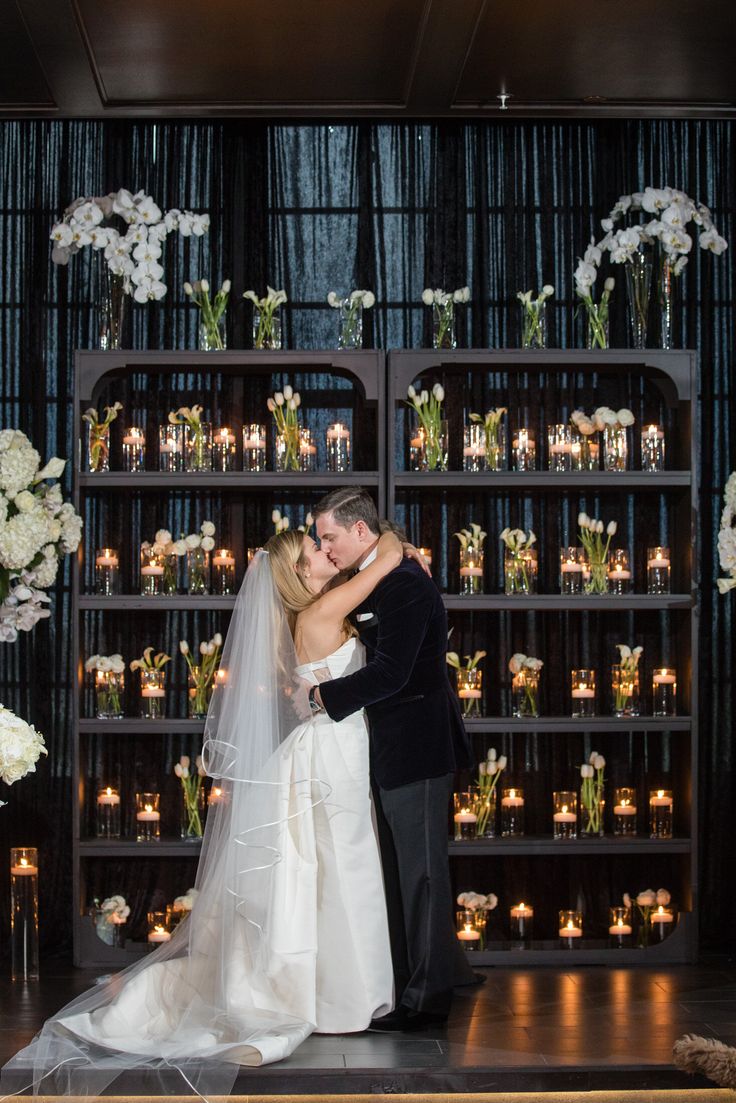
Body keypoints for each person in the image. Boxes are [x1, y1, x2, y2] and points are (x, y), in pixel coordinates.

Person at [1, 527, 411, 1098]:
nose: (326, 552)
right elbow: (386, 558)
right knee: (338, 870)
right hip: (327, 758)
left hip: (335, 752)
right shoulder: (320, 613)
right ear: (298, 577)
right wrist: (387, 545)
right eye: (315, 550)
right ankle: (331, 994)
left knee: (332, 872)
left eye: (324, 544)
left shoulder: (321, 611)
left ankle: (327, 990)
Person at [312, 487, 477, 1032]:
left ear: (361, 532)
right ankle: (437, 976)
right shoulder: (385, 572)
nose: (324, 547)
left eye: (329, 537)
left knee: (422, 876)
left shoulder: (405, 583)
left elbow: (394, 674)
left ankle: (426, 1002)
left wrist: (321, 698)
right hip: (390, 747)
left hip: (420, 745)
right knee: (405, 873)